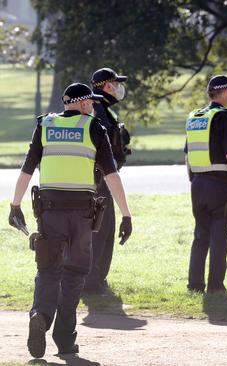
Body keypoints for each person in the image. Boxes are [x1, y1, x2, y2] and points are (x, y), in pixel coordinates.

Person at [8, 83, 133, 358]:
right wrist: (126, 214)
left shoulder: (45, 126)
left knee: (48, 271)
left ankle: (40, 314)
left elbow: (27, 168)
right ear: (86, 103)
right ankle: (65, 340)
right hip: (82, 214)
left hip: (49, 212)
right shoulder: (93, 127)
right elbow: (111, 175)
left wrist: (15, 205)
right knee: (75, 274)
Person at [185, 75, 227, 294]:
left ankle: (195, 286)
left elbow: (188, 156)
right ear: (223, 92)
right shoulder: (224, 118)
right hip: (219, 185)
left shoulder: (195, 117)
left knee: (200, 236)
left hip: (198, 183)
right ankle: (216, 286)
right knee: (220, 236)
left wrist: (194, 181)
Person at [83, 67, 132, 293]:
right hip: (100, 179)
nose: (119, 87)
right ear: (106, 85)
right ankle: (93, 281)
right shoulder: (99, 111)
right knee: (101, 230)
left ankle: (95, 279)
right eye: (116, 83)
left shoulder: (102, 109)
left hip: (99, 178)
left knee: (103, 229)